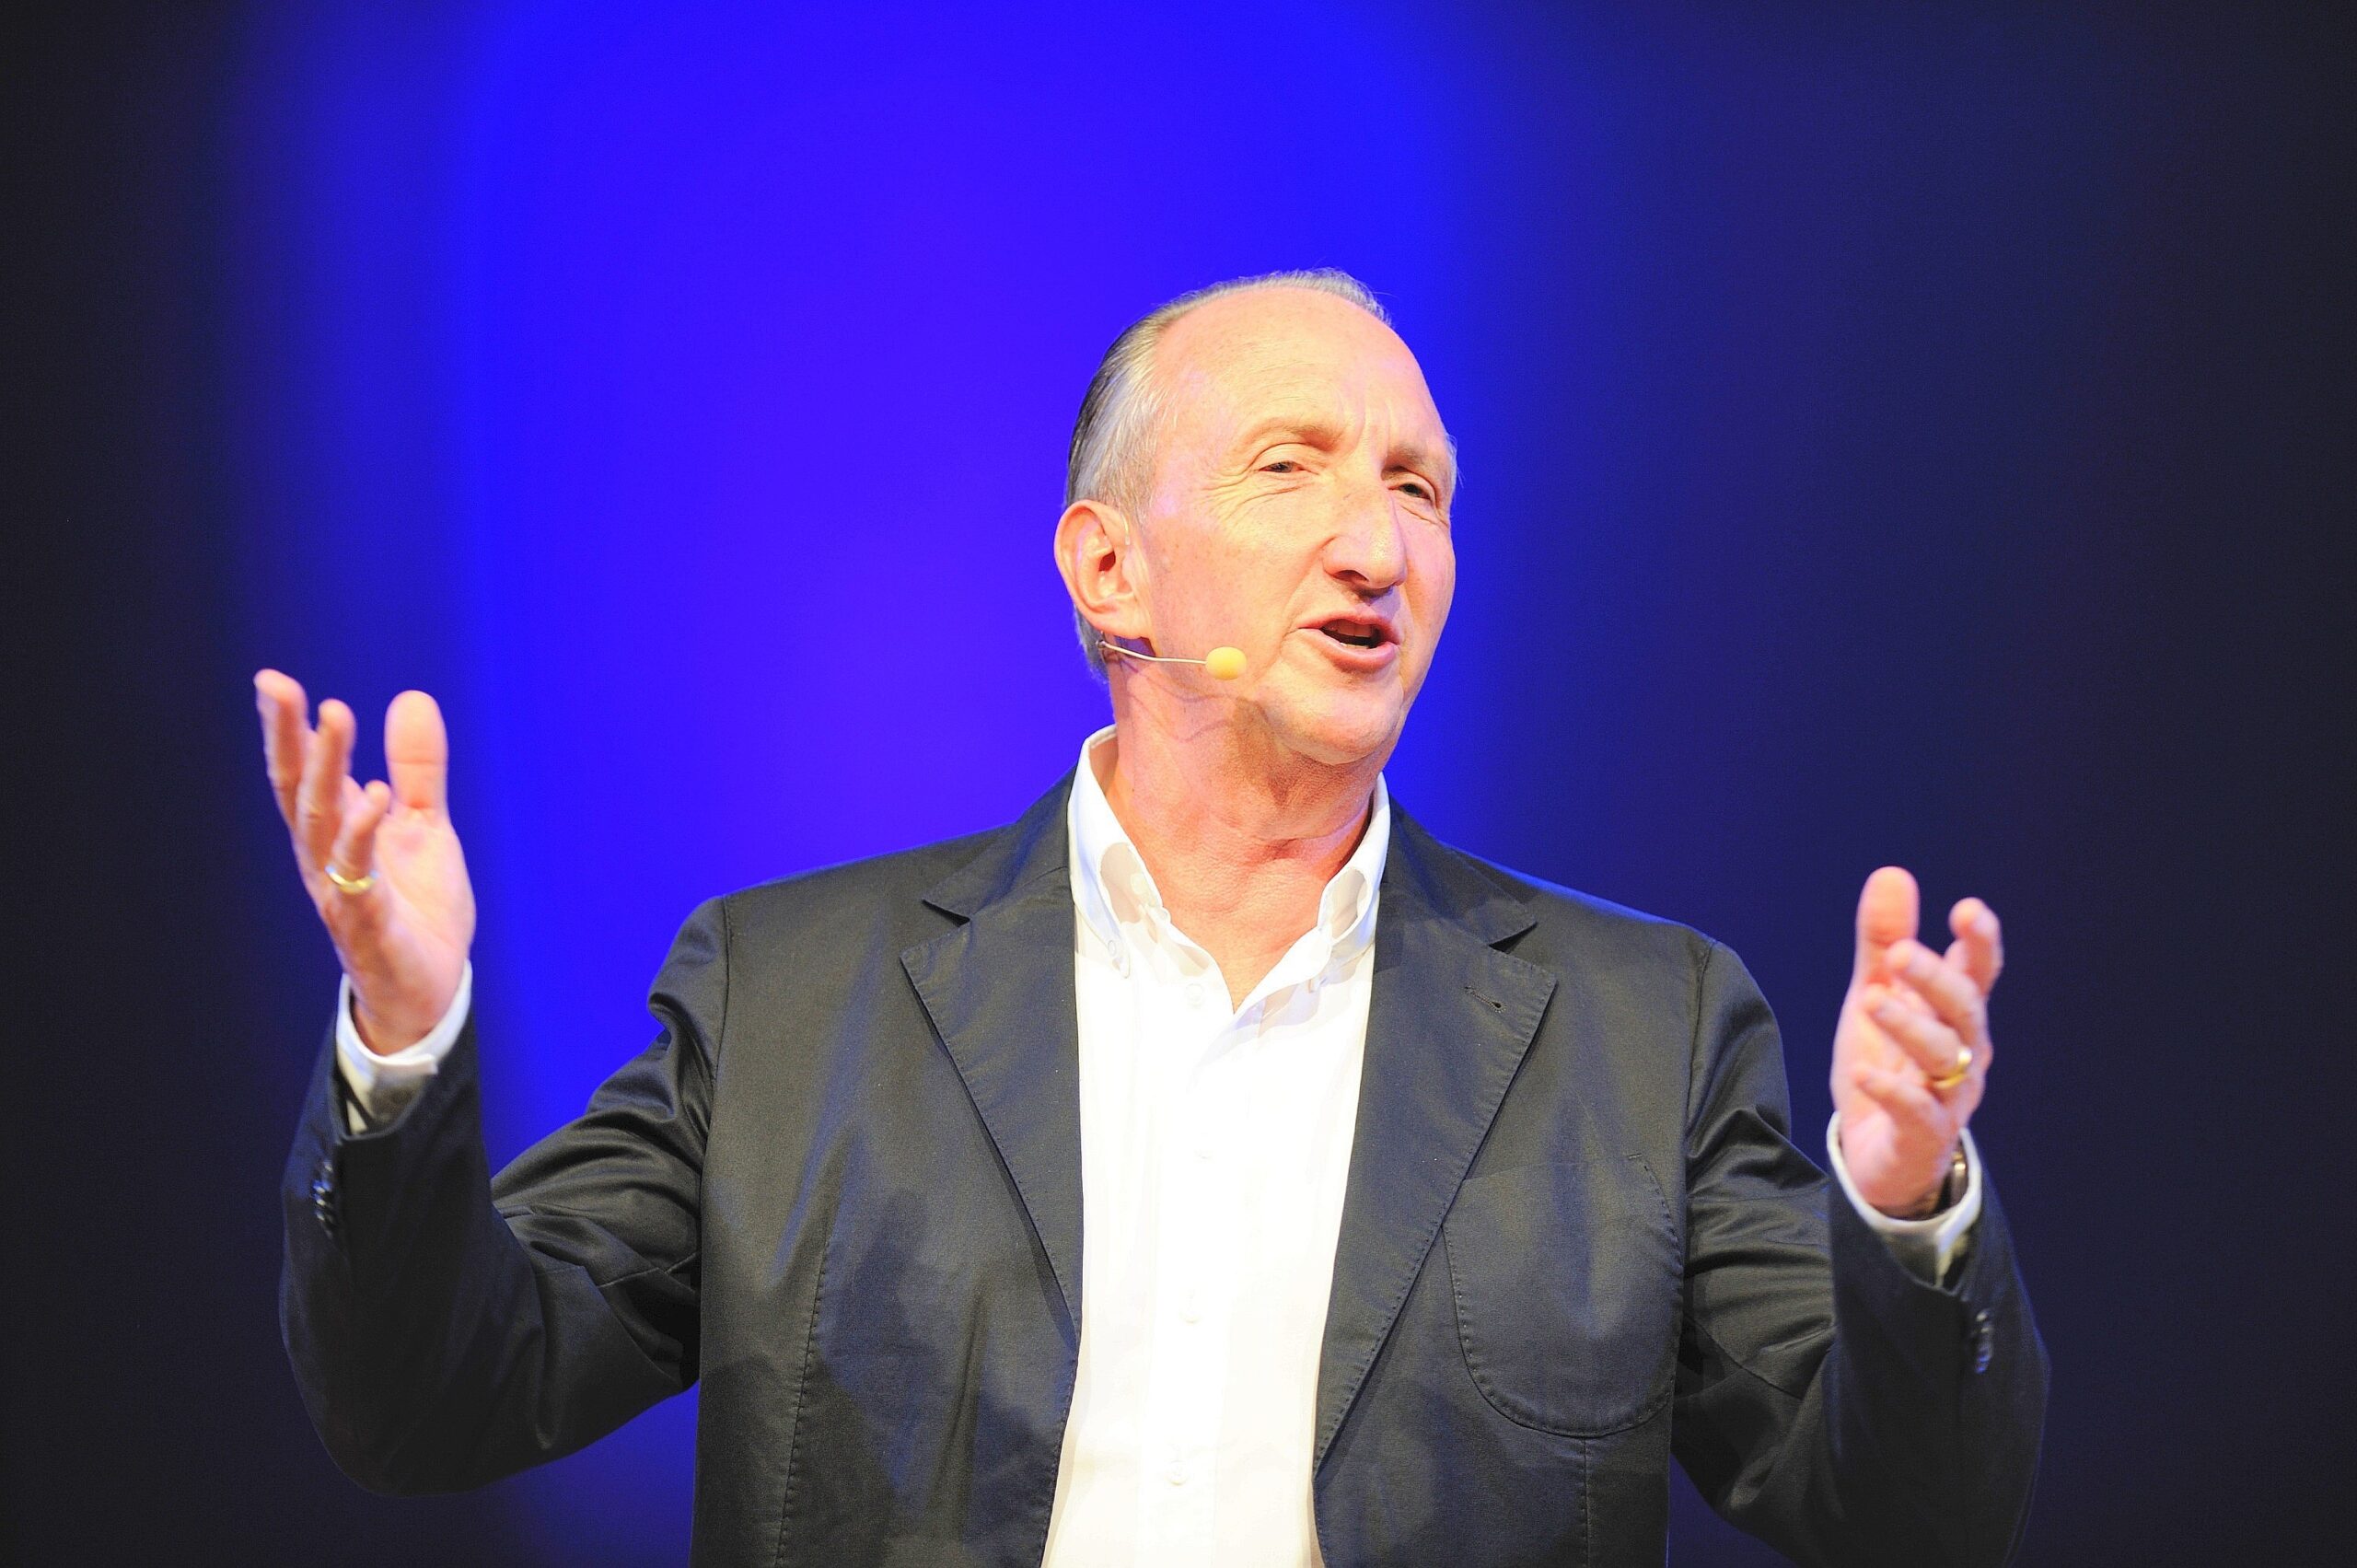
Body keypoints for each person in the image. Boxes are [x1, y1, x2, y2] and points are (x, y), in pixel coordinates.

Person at [262, 270, 2046, 1567]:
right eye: (1294, 468)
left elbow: (1905, 1511)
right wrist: (403, 1047)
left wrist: (1903, 1222)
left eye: (1417, 489)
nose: (1377, 545)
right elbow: (432, 1403)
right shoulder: (788, 999)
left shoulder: (1639, 1029)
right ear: (1107, 568)